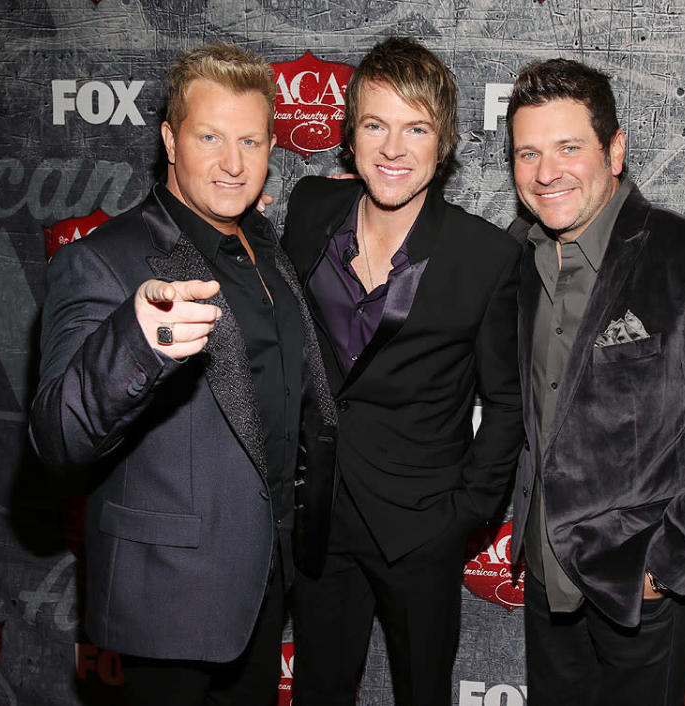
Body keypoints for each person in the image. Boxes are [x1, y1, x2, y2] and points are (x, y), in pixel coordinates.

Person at [29, 44, 336, 706]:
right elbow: (55, 435)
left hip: (259, 585)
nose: (233, 162)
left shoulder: (262, 243)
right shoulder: (105, 262)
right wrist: (135, 344)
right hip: (168, 605)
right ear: (170, 138)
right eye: (210, 137)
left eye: (250, 140)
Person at [505, 58, 685, 706]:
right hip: (546, 581)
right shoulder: (518, 254)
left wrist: (668, 563)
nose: (547, 173)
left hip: (638, 583)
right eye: (528, 153)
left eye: (569, 147)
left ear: (616, 150)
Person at [281, 36, 524, 706]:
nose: (393, 150)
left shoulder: (487, 257)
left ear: (442, 143)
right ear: (349, 137)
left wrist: (464, 515)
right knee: (317, 693)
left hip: (421, 529)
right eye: (375, 126)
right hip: (320, 517)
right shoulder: (307, 211)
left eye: (415, 129)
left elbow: (507, 403)